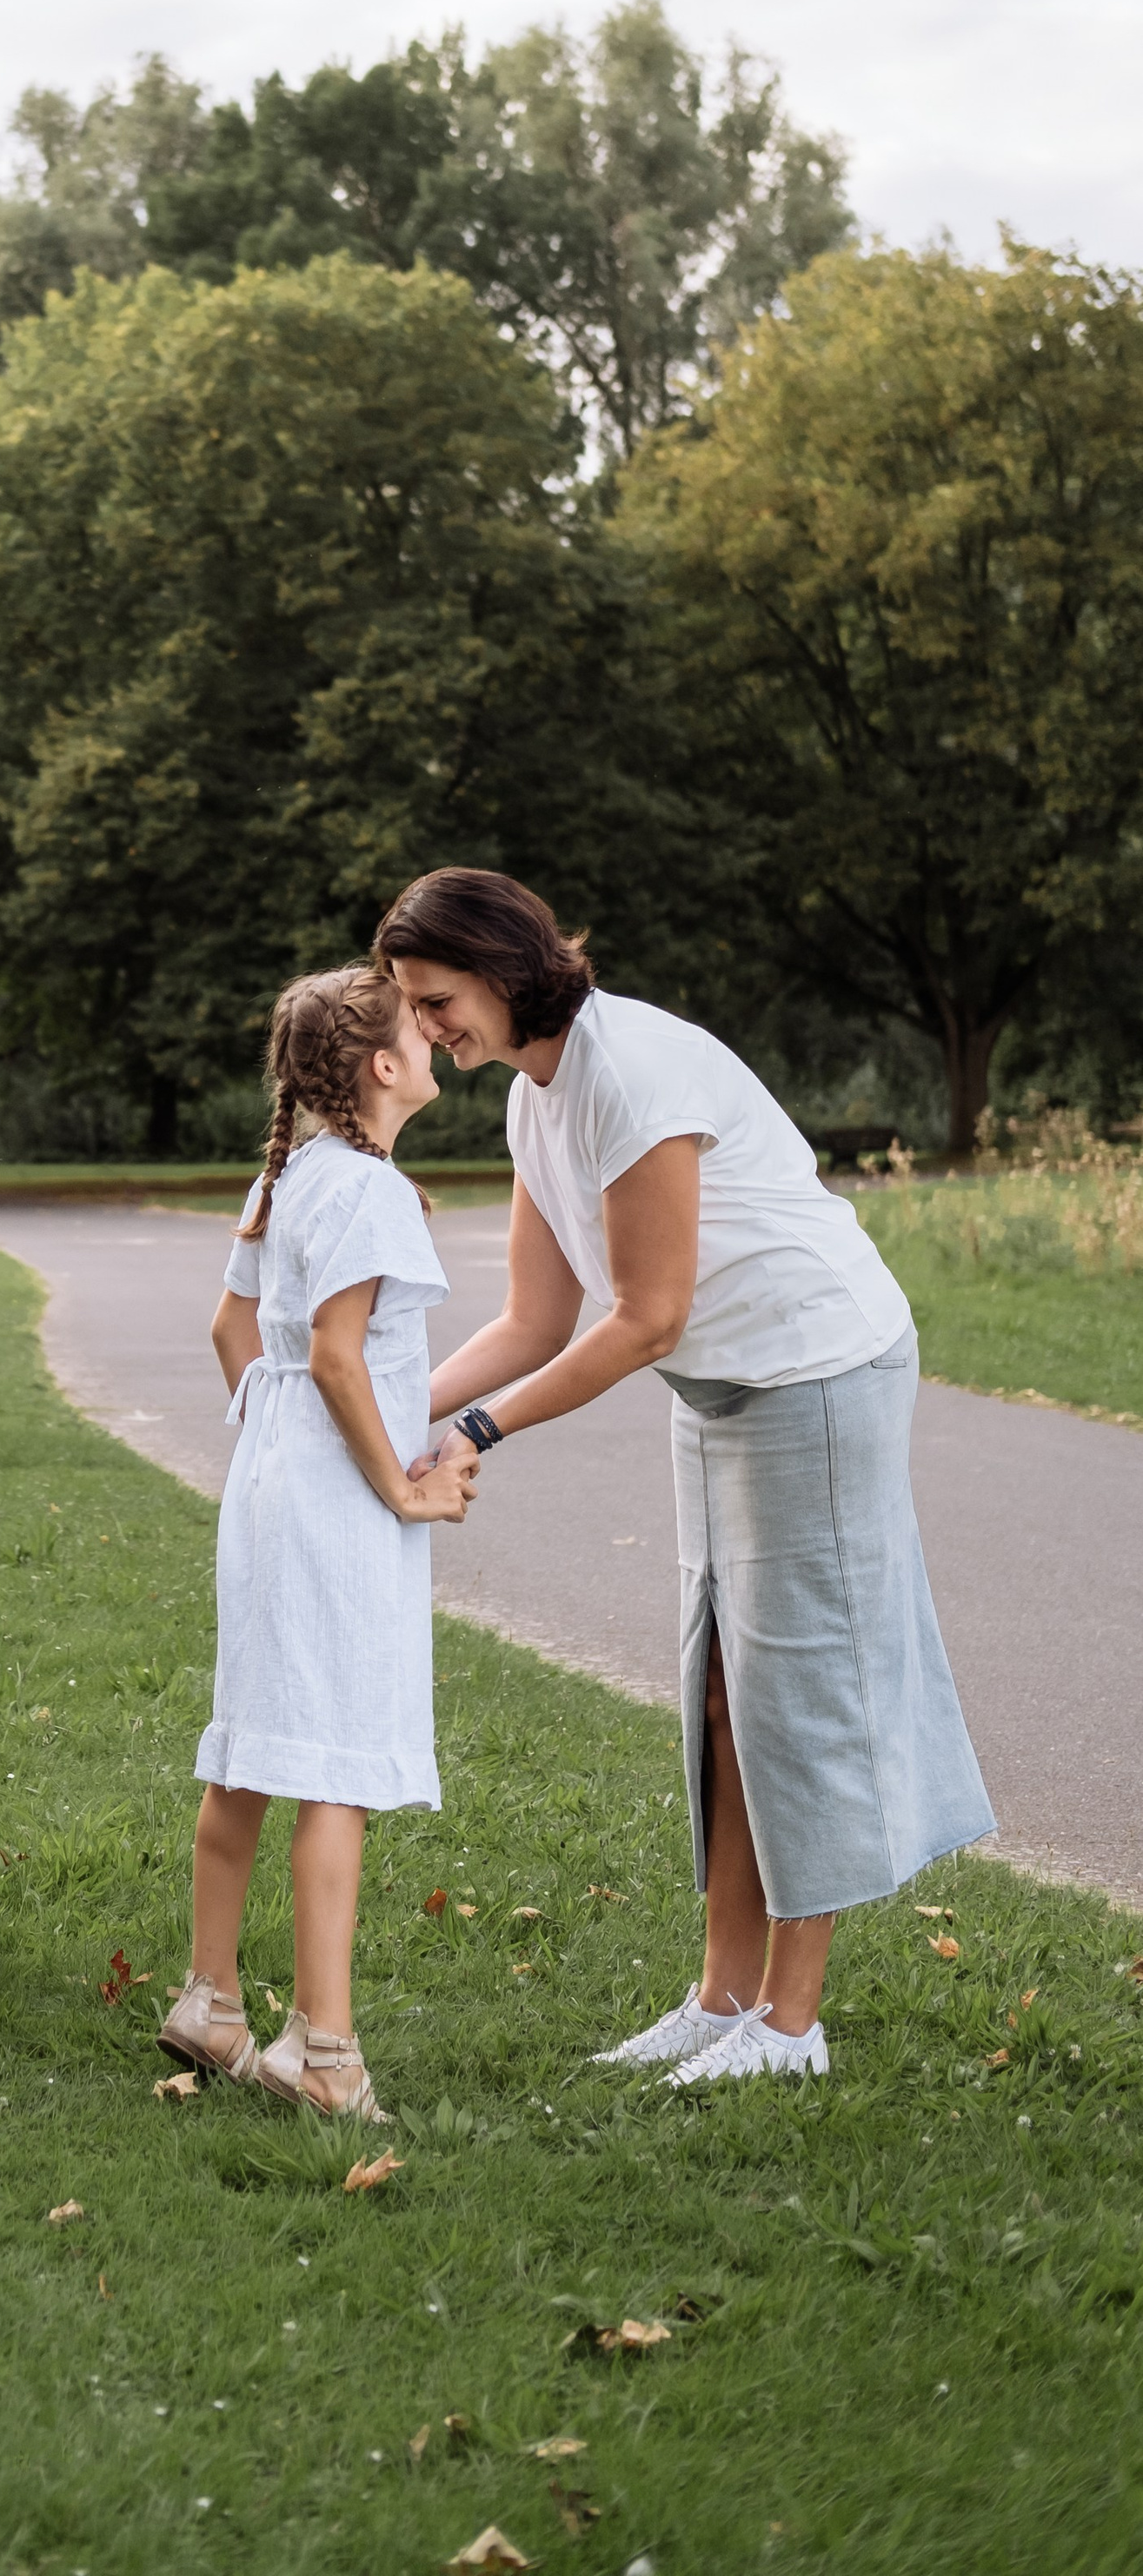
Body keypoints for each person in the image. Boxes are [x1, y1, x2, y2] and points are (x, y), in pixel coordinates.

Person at [379, 866, 993, 2088]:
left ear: (504, 973)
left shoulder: (633, 1074)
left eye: (438, 998)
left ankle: (790, 2025)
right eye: (414, 1004)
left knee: (796, 1688)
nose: (428, 1028)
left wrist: (481, 1434)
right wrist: (372, 1408)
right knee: (720, 1687)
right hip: (722, 1386)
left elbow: (647, 1317)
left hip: (814, 1370)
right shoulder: (533, 1102)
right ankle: (720, 1999)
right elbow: (535, 1320)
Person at [161, 968, 476, 2120]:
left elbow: (232, 1328)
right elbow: (341, 1355)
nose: (438, 1039)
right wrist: (398, 1485)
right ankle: (325, 2053)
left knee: (254, 1740)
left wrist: (275, 1425)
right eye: (419, 1030)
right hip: (335, 1504)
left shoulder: (290, 1175)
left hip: (274, 1485)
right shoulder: (371, 1190)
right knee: (331, 1758)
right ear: (383, 1068)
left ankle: (213, 1998)